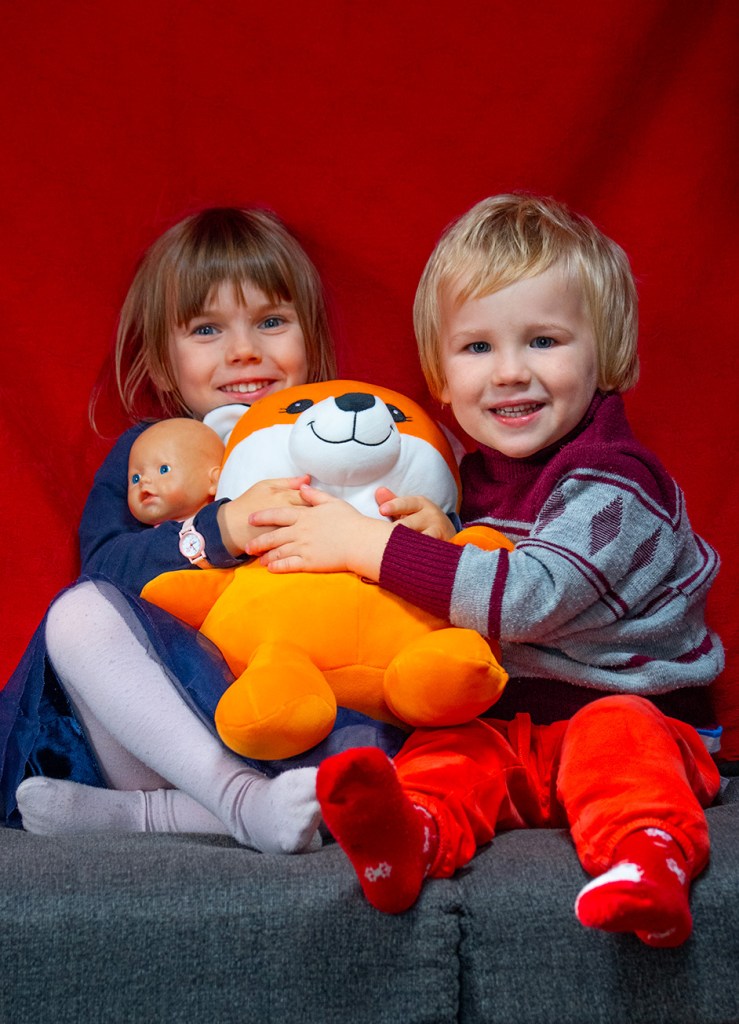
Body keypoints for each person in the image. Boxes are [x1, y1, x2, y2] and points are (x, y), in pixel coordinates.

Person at [247, 194, 724, 946]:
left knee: (618, 742)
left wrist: (367, 545)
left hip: (633, 714)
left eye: (543, 340)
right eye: (476, 347)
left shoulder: (615, 478)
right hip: (510, 729)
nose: (508, 372)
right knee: (443, 751)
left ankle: (647, 857)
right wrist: (444, 535)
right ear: (438, 373)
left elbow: (530, 596)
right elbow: (478, 581)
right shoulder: (478, 475)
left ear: (605, 354)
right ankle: (411, 837)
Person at [2, 206, 402, 854]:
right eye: (207, 329)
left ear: (312, 341)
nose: (243, 350)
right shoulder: (150, 452)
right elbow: (105, 569)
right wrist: (217, 529)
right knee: (77, 616)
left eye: (270, 322)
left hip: (304, 710)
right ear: (163, 366)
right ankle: (238, 801)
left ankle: (148, 816)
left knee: (376, 771)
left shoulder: (351, 440)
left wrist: (426, 530)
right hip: (164, 726)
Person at [126, 418, 225, 526]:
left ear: (213, 481)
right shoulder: (139, 535)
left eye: (164, 470)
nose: (143, 480)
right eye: (136, 478)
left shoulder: (219, 523)